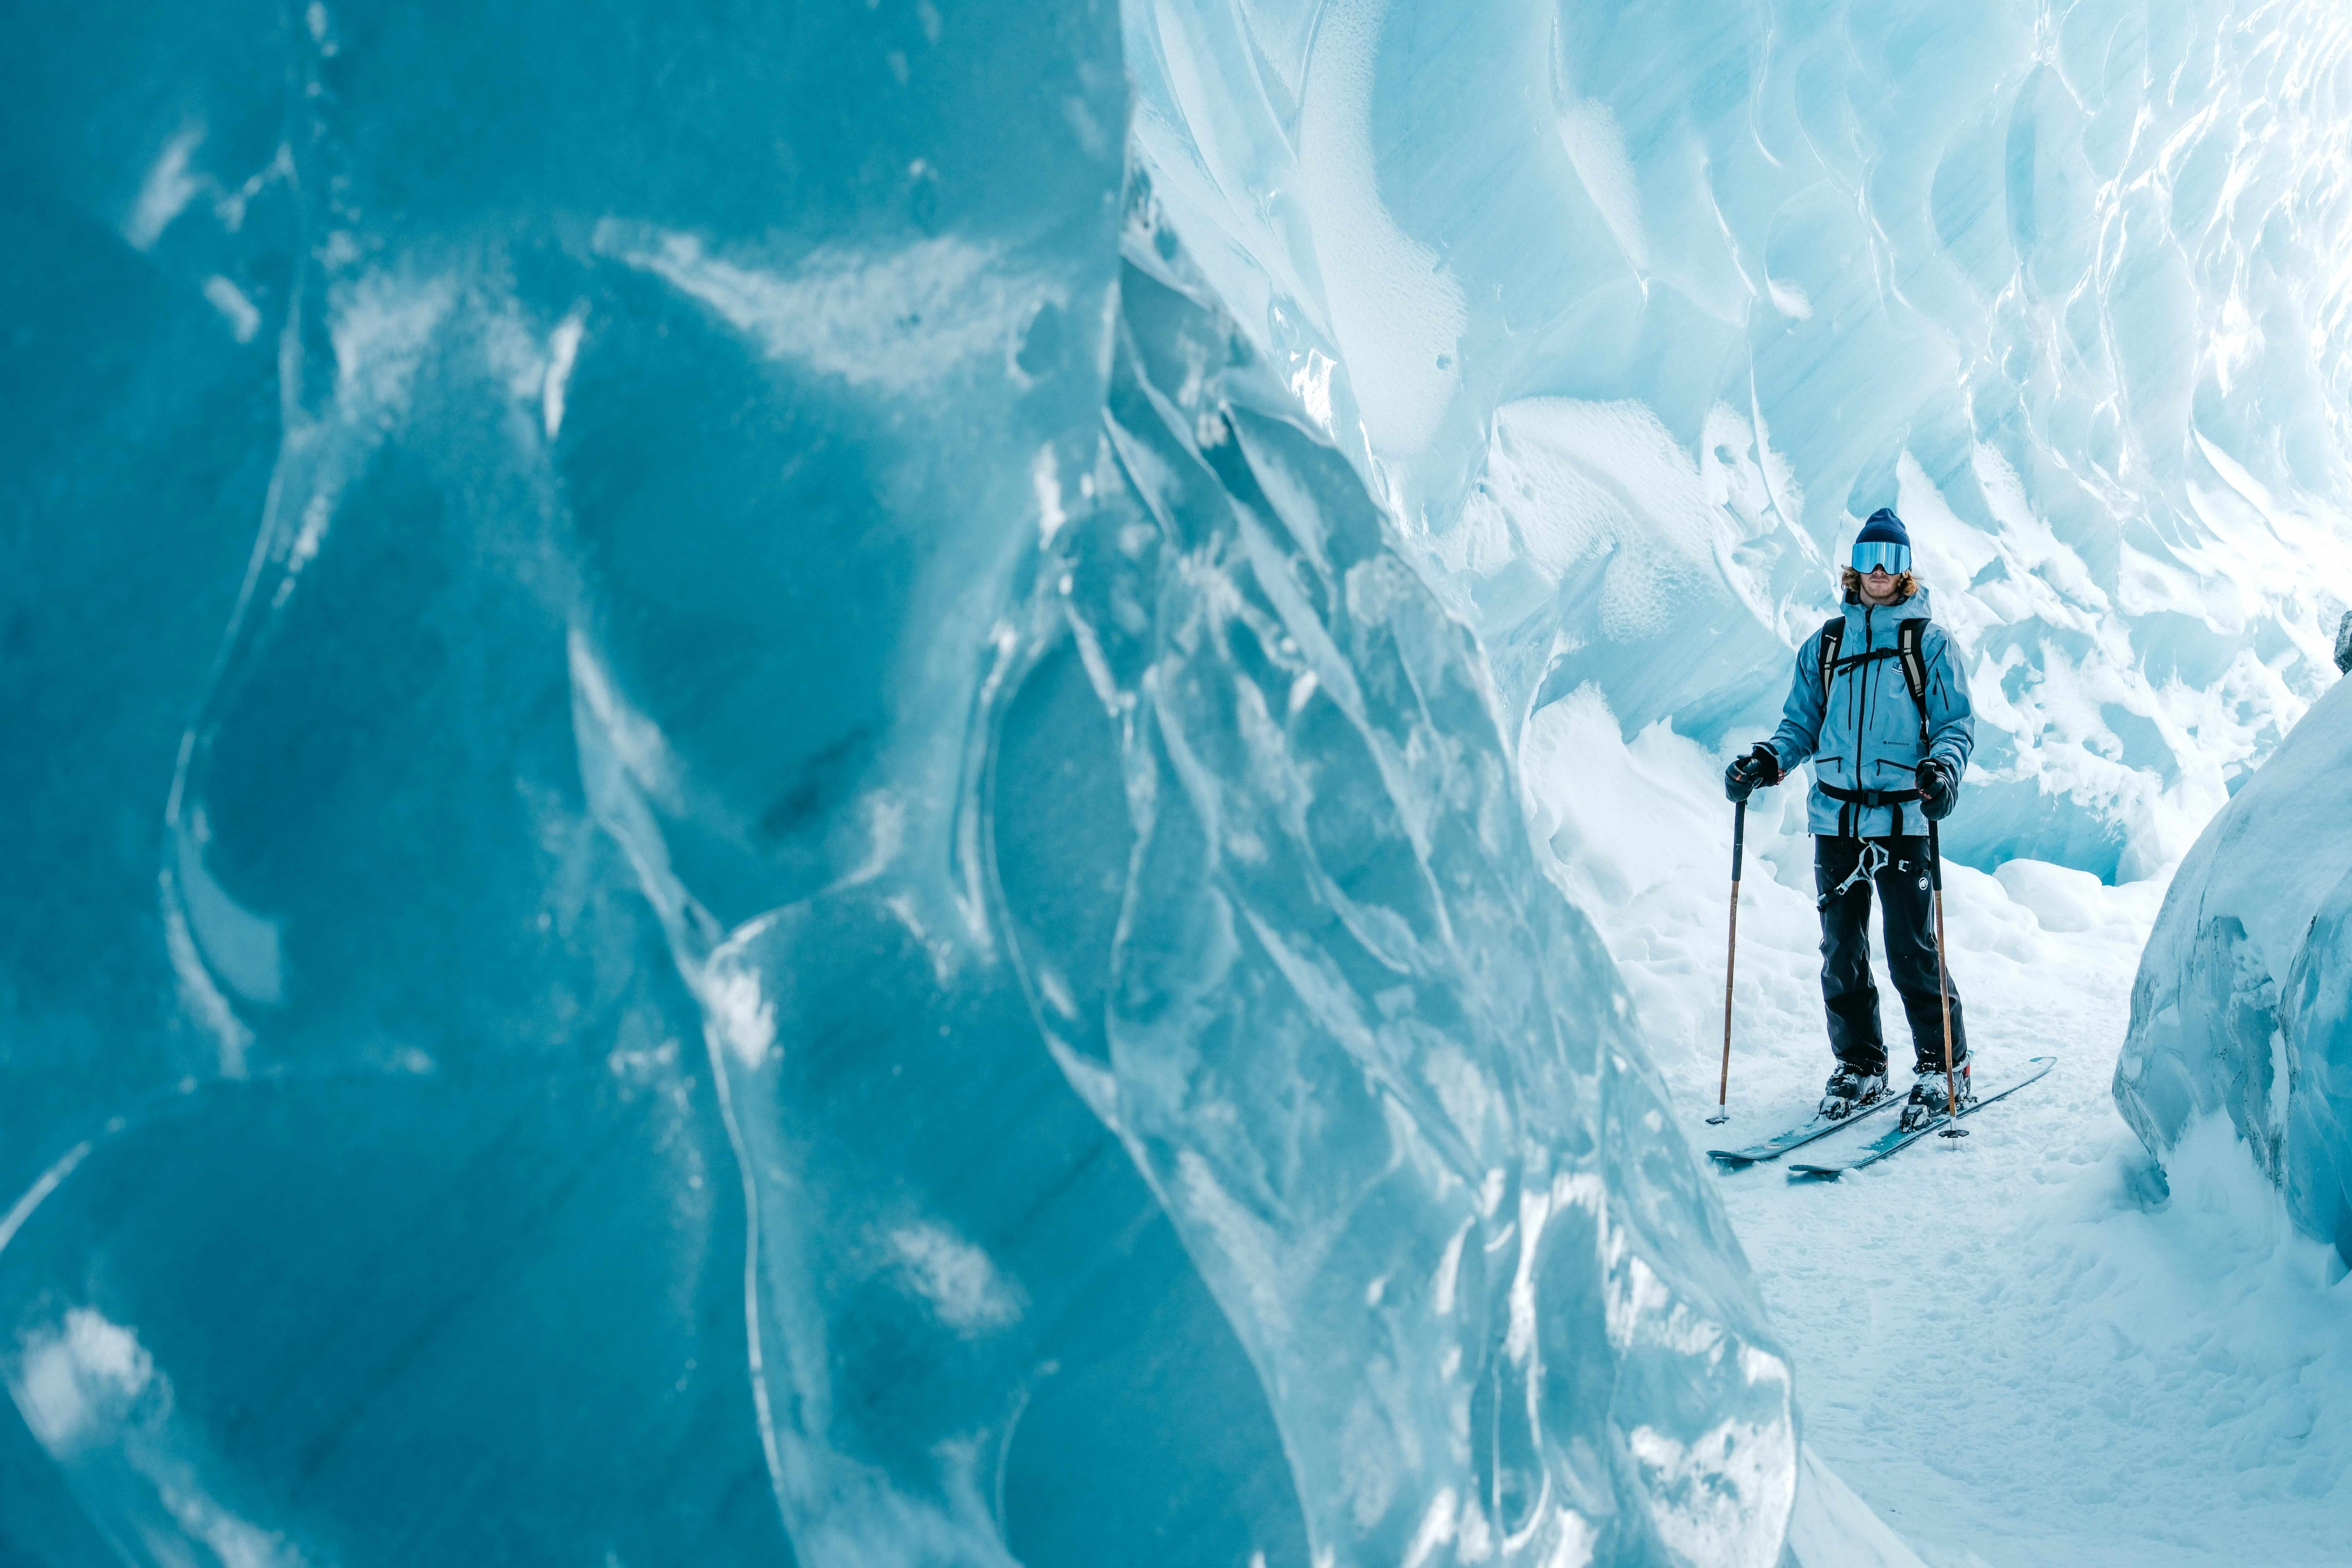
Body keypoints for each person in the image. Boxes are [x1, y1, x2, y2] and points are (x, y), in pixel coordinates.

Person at [1723, 507, 1976, 1130]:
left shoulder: (1929, 644)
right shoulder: (1827, 645)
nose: (1878, 573)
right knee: (1840, 951)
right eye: (1868, 560)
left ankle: (1944, 1068)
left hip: (1900, 820)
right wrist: (1766, 761)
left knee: (1909, 950)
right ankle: (1860, 1064)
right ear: (1852, 567)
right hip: (1835, 818)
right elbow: (1799, 726)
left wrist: (1941, 770)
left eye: (1890, 561)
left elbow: (1954, 726)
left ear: (1906, 570)